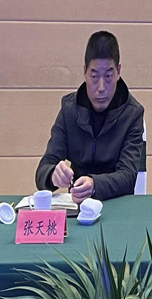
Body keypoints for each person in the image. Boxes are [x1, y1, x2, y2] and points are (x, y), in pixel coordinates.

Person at [36, 31, 144, 202]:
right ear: (85, 72)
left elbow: (128, 176)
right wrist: (52, 175)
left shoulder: (133, 114)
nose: (101, 87)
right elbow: (43, 169)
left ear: (118, 72)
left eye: (108, 76)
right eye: (94, 76)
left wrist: (94, 185)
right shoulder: (69, 110)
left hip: (118, 203)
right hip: (78, 203)